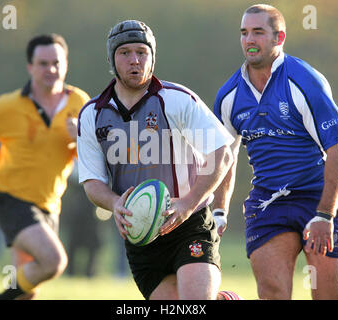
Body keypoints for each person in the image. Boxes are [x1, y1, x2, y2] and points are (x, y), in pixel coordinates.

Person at [77, 20, 241, 300]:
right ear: (111, 59)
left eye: (142, 52)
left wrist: (189, 203)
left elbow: (221, 152)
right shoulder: (92, 114)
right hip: (139, 233)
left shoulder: (177, 99)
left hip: (189, 224)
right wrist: (116, 204)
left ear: (152, 58)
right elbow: (92, 181)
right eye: (125, 52)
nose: (134, 60)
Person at [213, 4, 338, 300]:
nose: (249, 40)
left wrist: (325, 215)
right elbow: (224, 157)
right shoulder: (228, 95)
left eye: (258, 32)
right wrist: (218, 211)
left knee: (330, 296)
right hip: (269, 202)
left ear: (279, 38)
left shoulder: (304, 81)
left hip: (316, 197)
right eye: (244, 33)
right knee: (273, 292)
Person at [0, 34, 90, 299]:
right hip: (12, 199)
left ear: (66, 64)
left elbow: (92, 157)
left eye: (56, 62)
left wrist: (82, 139)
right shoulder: (9, 107)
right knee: (53, 261)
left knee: (28, 292)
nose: (50, 69)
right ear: (30, 67)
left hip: (50, 204)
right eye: (42, 63)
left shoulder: (79, 103)